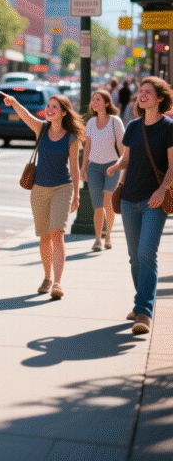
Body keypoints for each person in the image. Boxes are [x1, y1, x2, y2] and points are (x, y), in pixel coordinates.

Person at [0, 91, 84, 299]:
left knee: (57, 233)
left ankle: (57, 282)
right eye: (48, 106)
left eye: (55, 107)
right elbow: (26, 115)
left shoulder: (71, 138)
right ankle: (47, 277)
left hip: (62, 188)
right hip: (39, 189)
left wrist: (76, 194)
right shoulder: (42, 128)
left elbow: (74, 168)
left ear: (63, 113)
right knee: (44, 236)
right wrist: (14, 103)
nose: (50, 110)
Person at [107, 76, 173, 336]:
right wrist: (116, 165)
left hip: (153, 200)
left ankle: (144, 310)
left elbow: (171, 166)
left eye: (148, 92)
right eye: (141, 91)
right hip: (129, 198)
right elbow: (127, 159)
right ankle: (142, 299)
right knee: (135, 258)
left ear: (159, 98)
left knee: (147, 253)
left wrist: (161, 189)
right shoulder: (134, 126)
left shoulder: (169, 128)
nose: (142, 95)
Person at [80, 90, 124, 251]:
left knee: (108, 203)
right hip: (94, 168)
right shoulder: (91, 122)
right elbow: (88, 147)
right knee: (98, 206)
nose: (94, 102)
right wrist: (83, 168)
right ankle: (98, 239)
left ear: (106, 103)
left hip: (112, 166)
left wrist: (121, 165)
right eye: (93, 100)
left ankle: (108, 236)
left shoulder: (115, 122)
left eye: (98, 99)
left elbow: (122, 146)